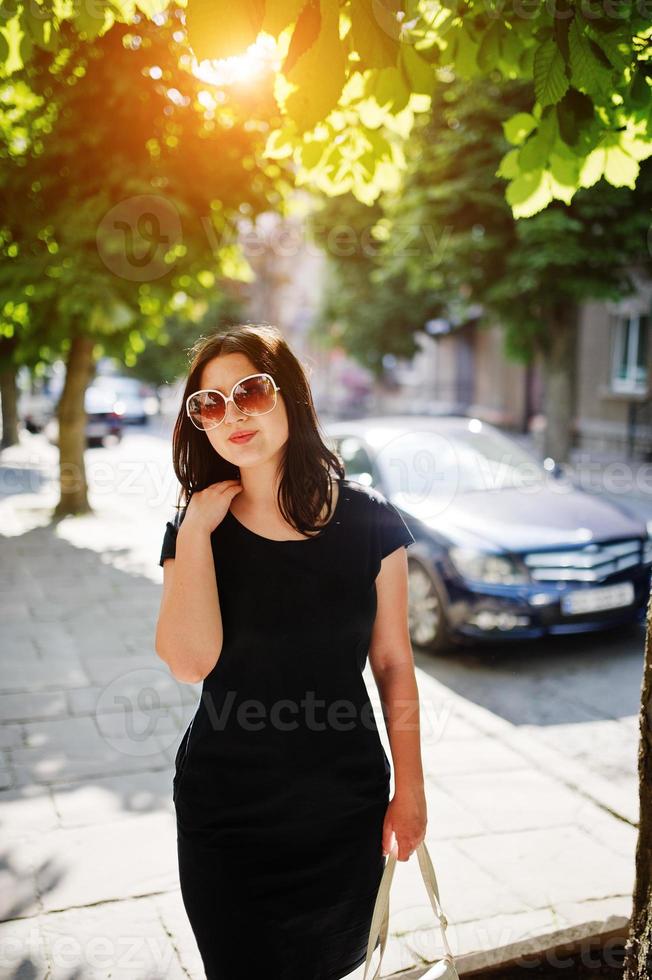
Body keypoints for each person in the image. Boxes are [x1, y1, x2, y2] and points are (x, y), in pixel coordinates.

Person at [154, 324, 427, 980]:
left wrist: (410, 786)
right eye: (210, 405)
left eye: (250, 390)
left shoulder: (370, 522)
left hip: (344, 808)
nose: (233, 415)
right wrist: (194, 533)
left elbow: (392, 661)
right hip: (229, 815)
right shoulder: (194, 531)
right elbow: (189, 662)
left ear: (290, 396)